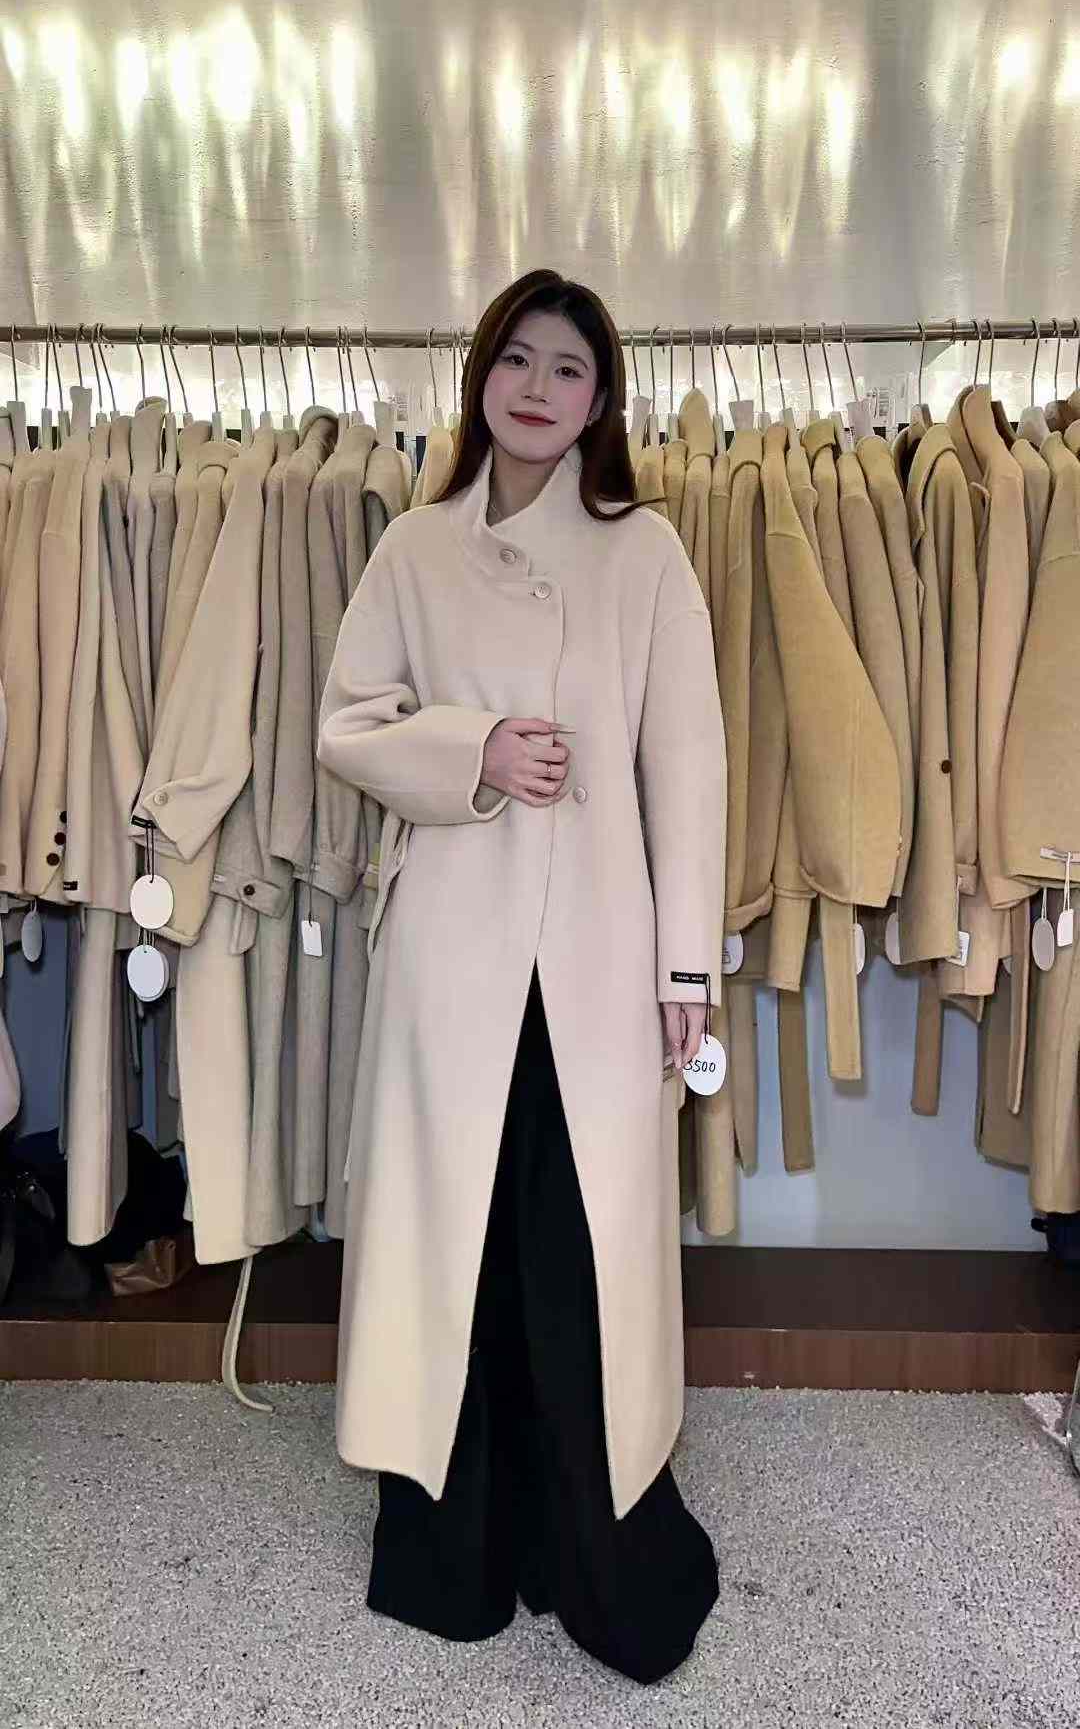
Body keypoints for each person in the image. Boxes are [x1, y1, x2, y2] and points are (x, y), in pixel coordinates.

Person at [317, 268, 727, 1685]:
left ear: (600, 400)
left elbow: (689, 765)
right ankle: (457, 1548)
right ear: (481, 375)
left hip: (600, 950)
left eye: (569, 369)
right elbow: (346, 724)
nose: (539, 388)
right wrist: (474, 749)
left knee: (578, 1250)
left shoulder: (644, 553)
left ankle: (599, 1548)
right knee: (462, 1240)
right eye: (518, 360)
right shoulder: (414, 549)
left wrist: (686, 967)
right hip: (452, 952)